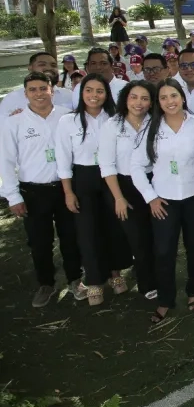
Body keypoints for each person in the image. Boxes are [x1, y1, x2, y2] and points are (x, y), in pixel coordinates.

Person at [131, 79, 194, 323]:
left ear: (182, 97)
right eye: (164, 97)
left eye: (174, 95)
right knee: (164, 251)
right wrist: (151, 198)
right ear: (158, 102)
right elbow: (136, 167)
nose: (170, 101)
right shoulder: (150, 128)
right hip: (164, 201)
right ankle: (165, 299)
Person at [0, 72, 86, 307]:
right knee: (39, 241)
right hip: (33, 191)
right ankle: (46, 284)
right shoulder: (14, 121)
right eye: (32, 90)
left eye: (42, 88)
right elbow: (6, 161)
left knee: (71, 237)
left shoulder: (67, 117)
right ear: (25, 93)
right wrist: (13, 196)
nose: (38, 94)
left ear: (52, 90)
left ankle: (75, 280)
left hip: (65, 188)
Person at [56, 73, 133, 306]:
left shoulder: (116, 118)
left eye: (99, 91)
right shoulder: (67, 121)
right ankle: (94, 280)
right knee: (87, 231)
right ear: (81, 93)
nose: (94, 96)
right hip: (83, 178)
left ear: (106, 95)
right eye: (89, 90)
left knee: (115, 227)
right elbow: (62, 159)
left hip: (112, 178)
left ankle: (115, 273)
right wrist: (69, 192)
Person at [98, 80, 158, 300]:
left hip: (154, 184)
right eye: (134, 97)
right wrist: (118, 198)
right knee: (138, 239)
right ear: (125, 99)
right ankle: (147, 283)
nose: (138, 103)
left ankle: (159, 276)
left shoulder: (156, 123)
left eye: (144, 98)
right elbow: (107, 165)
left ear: (151, 102)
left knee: (156, 236)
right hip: (123, 187)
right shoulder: (112, 125)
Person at [0, 53, 74, 122]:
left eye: (53, 65)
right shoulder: (12, 98)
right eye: (42, 64)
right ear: (30, 68)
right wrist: (12, 121)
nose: (49, 68)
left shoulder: (69, 95)